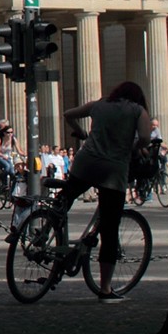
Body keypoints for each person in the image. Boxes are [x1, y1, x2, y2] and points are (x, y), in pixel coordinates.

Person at [61, 81, 152, 299]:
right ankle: (105, 288)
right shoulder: (138, 111)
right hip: (113, 170)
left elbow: (68, 114)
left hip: (86, 163)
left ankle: (47, 228)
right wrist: (133, 147)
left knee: (65, 200)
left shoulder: (99, 104)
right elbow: (146, 138)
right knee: (110, 229)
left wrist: (81, 132)